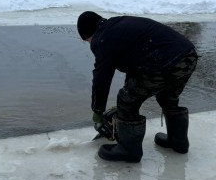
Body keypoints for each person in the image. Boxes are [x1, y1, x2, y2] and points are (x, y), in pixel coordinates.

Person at [77, 11, 198, 163]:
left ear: (88, 34)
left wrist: (97, 111)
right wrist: (129, 89)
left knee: (126, 101)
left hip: (163, 61)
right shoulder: (118, 25)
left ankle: (129, 151)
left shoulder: (102, 39)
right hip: (187, 56)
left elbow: (102, 78)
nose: (89, 44)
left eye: (87, 40)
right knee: (167, 96)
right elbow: (135, 67)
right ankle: (178, 142)